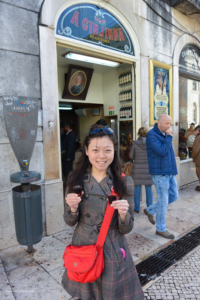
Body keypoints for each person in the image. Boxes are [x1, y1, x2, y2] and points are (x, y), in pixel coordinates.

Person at [62, 124, 144, 300]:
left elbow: (127, 228)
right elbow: (69, 221)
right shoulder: (75, 180)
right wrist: (72, 208)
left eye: (107, 150)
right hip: (83, 246)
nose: (101, 156)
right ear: (86, 151)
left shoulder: (125, 182)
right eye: (95, 150)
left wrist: (123, 215)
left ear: (114, 151)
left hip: (112, 248)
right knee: (88, 294)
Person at [144, 114, 179, 239]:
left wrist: (173, 170)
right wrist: (169, 137)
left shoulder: (164, 134)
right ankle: (160, 229)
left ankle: (150, 210)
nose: (169, 126)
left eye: (170, 123)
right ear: (159, 123)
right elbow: (162, 151)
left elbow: (169, 154)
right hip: (159, 174)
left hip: (169, 172)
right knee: (163, 203)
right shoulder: (152, 135)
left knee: (174, 196)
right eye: (167, 123)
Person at [129, 127, 153, 213]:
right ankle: (150, 208)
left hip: (137, 170)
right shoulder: (151, 144)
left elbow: (131, 156)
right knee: (149, 189)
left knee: (137, 189)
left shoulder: (135, 144)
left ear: (138, 133)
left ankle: (137, 208)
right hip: (148, 170)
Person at [192, 125, 200, 191]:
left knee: (199, 172)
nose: (195, 131)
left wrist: (192, 156)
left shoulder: (198, 137)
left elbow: (195, 149)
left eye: (196, 130)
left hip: (199, 159)